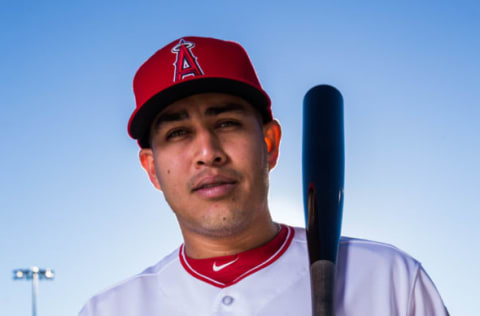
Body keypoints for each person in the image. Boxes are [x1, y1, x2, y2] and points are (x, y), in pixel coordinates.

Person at [79, 36, 448, 315]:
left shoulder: (389, 280)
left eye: (226, 122)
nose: (208, 152)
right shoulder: (110, 310)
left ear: (270, 144)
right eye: (178, 133)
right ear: (151, 168)